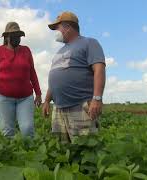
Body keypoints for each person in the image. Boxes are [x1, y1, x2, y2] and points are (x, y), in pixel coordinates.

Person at [42, 11, 106, 143]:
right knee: (63, 150)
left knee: (85, 148)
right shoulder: (59, 51)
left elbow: (99, 69)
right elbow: (54, 79)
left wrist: (97, 98)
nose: (56, 31)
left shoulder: (89, 43)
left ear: (67, 27)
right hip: (59, 109)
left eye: (57, 28)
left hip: (79, 106)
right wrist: (47, 100)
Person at [0, 22, 42, 137]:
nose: (17, 38)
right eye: (14, 36)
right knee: (7, 131)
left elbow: (32, 73)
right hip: (3, 97)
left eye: (18, 36)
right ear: (7, 37)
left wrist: (38, 93)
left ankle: (28, 152)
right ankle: (10, 154)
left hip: (25, 97)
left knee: (27, 128)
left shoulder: (26, 50)